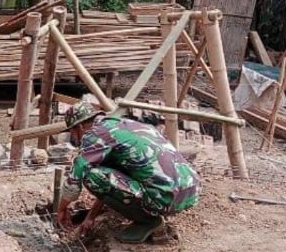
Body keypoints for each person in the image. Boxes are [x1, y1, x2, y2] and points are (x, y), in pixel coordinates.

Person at [56, 101, 202, 244]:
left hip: (167, 198)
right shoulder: (126, 125)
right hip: (190, 191)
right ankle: (150, 210)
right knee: (105, 175)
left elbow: (77, 174)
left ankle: (149, 221)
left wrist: (62, 209)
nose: (74, 137)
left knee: (91, 176)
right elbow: (112, 180)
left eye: (72, 132)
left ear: (80, 127)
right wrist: (90, 216)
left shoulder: (94, 135)